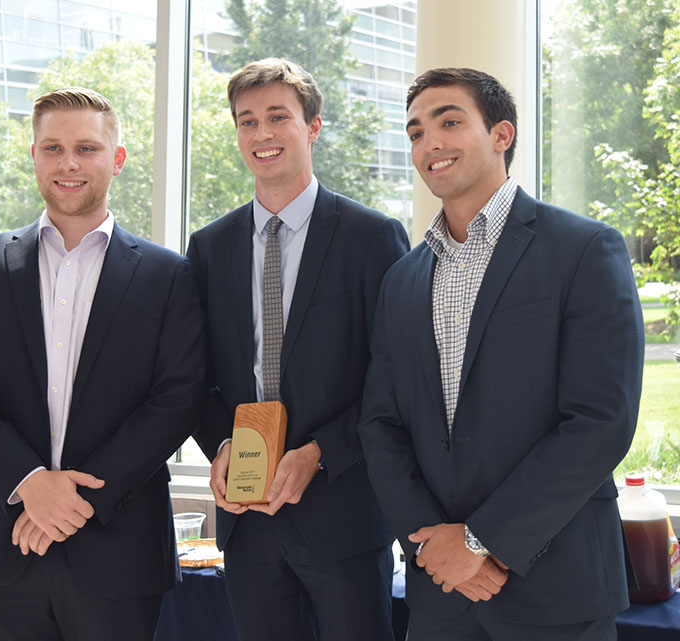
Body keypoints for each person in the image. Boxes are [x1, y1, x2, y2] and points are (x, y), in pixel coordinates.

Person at [357, 67, 645, 640]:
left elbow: (599, 422)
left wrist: (479, 540)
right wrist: (433, 542)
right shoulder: (401, 279)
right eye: (415, 132)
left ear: (501, 135)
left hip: (557, 589)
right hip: (441, 595)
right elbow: (381, 424)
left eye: (449, 122)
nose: (429, 143)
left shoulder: (585, 249)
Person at [0, 87, 205, 640]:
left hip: (118, 552)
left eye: (86, 148)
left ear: (117, 159)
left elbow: (177, 400)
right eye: (53, 148)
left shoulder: (167, 274)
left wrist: (73, 500)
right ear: (33, 155)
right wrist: (29, 482)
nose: (69, 163)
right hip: (3, 544)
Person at [187, 58, 410, 641]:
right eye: (246, 121)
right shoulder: (208, 248)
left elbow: (395, 378)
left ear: (312, 127)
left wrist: (320, 452)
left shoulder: (372, 237)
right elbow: (193, 376)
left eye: (277, 117)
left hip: (343, 513)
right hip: (247, 520)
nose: (261, 134)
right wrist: (221, 441)